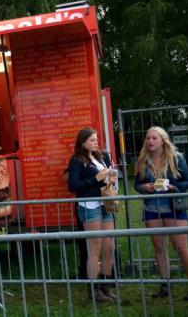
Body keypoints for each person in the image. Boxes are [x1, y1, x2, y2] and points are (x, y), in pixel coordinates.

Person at [134, 126, 188, 300]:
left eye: (154, 138)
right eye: (148, 138)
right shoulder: (142, 160)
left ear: (163, 140)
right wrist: (144, 187)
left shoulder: (176, 158)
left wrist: (174, 187)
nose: (150, 141)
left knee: (181, 247)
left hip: (173, 208)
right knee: (159, 248)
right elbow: (137, 184)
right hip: (151, 209)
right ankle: (165, 285)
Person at [67, 127, 117, 303]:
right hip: (89, 206)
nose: (96, 143)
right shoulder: (77, 160)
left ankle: (105, 285)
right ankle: (94, 289)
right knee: (94, 247)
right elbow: (73, 186)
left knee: (109, 247)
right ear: (82, 143)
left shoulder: (100, 158)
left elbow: (103, 178)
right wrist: (96, 179)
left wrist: (110, 177)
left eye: (96, 140)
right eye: (92, 140)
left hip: (105, 204)